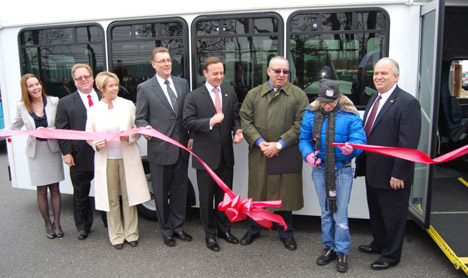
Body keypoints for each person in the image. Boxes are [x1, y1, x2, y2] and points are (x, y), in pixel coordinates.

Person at [355, 58, 421, 270]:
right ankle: (379, 243)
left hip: (393, 174)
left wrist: (400, 173)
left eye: (384, 73)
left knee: (393, 216)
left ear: (396, 76)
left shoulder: (407, 103)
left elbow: (408, 143)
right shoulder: (375, 97)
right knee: (377, 213)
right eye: (376, 73)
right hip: (374, 170)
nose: (378, 77)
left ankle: (391, 255)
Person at [239, 56, 309, 251]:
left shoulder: (298, 95)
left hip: (285, 151)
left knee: (284, 195)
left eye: (285, 71)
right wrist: (261, 143)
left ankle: (286, 233)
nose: (281, 75)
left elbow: (301, 124)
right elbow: (245, 120)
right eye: (277, 71)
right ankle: (253, 230)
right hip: (260, 153)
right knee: (258, 192)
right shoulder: (253, 94)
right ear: (268, 71)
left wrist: (279, 144)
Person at [299, 79, 366, 273]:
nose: (328, 105)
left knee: (340, 213)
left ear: (338, 98)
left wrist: (351, 150)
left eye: (332, 102)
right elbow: (304, 140)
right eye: (324, 102)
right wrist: (309, 155)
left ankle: (342, 250)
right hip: (320, 170)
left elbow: (359, 140)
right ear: (318, 99)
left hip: (342, 170)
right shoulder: (310, 114)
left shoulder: (350, 114)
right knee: (326, 211)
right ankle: (329, 247)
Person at [183, 57, 243, 252]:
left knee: (224, 197)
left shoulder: (229, 94)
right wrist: (210, 121)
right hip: (205, 158)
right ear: (205, 73)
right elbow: (188, 122)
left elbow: (235, 117)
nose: (219, 77)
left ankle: (224, 230)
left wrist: (238, 130)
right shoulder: (194, 96)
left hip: (226, 156)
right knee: (207, 199)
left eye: (222, 73)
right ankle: (210, 235)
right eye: (215, 73)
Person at [86, 71, 150, 249]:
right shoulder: (93, 110)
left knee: (130, 197)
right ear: (101, 89)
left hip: (127, 157)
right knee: (112, 199)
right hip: (107, 159)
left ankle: (132, 233)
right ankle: (116, 236)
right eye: (111, 86)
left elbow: (137, 130)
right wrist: (95, 144)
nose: (115, 88)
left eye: (116, 85)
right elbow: (88, 134)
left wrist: (129, 138)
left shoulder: (128, 105)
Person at [135, 47, 192, 247]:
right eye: (162, 61)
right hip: (159, 150)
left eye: (168, 60)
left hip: (181, 148)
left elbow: (187, 113)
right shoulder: (145, 88)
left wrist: (191, 136)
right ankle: (166, 230)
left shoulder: (182, 83)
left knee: (179, 190)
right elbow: (140, 118)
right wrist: (146, 130)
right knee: (160, 192)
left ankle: (178, 227)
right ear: (153, 65)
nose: (167, 64)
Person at [9, 74, 65, 239]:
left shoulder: (54, 101)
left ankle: (57, 223)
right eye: (31, 86)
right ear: (26, 89)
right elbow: (14, 127)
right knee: (41, 189)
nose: (35, 88)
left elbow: (62, 123)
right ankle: (47, 224)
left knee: (55, 188)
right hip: (36, 152)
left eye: (37, 84)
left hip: (52, 150)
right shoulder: (22, 106)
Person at [55, 64, 101, 240]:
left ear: (92, 77)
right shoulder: (66, 102)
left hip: (103, 152)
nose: (84, 80)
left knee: (105, 190)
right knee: (81, 193)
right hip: (79, 155)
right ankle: (83, 226)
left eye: (87, 76)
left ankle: (108, 222)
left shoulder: (103, 97)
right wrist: (66, 153)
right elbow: (62, 130)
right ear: (74, 82)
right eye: (79, 78)